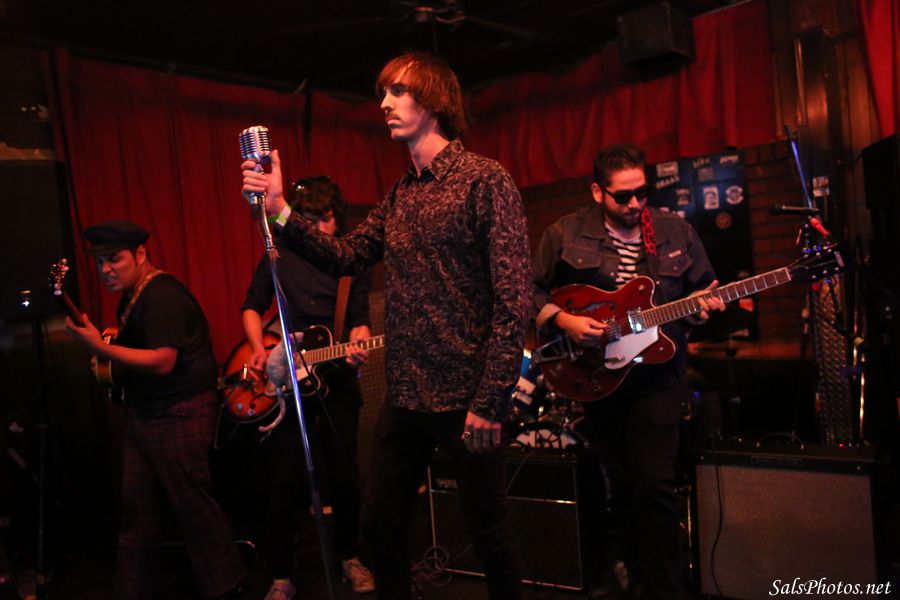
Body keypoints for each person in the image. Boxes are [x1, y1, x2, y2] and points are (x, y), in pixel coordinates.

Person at [241, 52, 531, 600]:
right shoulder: (400, 194)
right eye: (383, 93)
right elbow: (346, 254)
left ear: (434, 101)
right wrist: (279, 210)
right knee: (379, 525)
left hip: (467, 395)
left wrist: (491, 399)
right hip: (407, 395)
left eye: (398, 92)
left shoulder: (484, 180)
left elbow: (514, 300)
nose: (384, 104)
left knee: (488, 532)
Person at [532, 144, 725, 599]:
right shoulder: (564, 232)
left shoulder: (675, 231)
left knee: (655, 484)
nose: (635, 203)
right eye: (623, 196)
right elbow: (527, 290)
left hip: (658, 377)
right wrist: (564, 320)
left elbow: (702, 293)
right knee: (621, 484)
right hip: (598, 376)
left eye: (642, 192)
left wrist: (702, 310)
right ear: (597, 191)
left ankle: (667, 589)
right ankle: (634, 577)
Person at [65, 220, 245, 600]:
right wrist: (113, 339)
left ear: (141, 254)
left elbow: (163, 361)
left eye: (114, 259)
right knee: (137, 515)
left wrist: (102, 347)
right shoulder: (135, 295)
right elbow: (145, 344)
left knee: (194, 510)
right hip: (148, 412)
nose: (105, 269)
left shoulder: (162, 294)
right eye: (99, 262)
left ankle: (227, 589)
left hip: (179, 411)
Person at [239, 176, 375, 599]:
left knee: (344, 472)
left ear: (339, 219)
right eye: (309, 220)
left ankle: (350, 556)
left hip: (336, 377)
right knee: (284, 477)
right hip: (288, 381)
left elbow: (360, 320)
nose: (317, 229)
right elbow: (251, 307)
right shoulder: (279, 255)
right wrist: (257, 347)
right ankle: (281, 574)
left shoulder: (351, 261)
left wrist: (359, 341)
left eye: (325, 220)